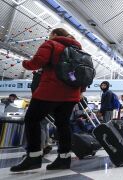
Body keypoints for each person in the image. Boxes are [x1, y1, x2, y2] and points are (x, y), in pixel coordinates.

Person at [10, 28, 84, 172]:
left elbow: (38, 61)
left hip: (50, 91)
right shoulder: (77, 49)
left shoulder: (51, 44)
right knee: (63, 124)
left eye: (50, 34)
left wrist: (25, 63)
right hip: (71, 93)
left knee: (32, 119)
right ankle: (64, 158)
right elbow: (81, 73)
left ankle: (34, 156)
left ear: (55, 35)